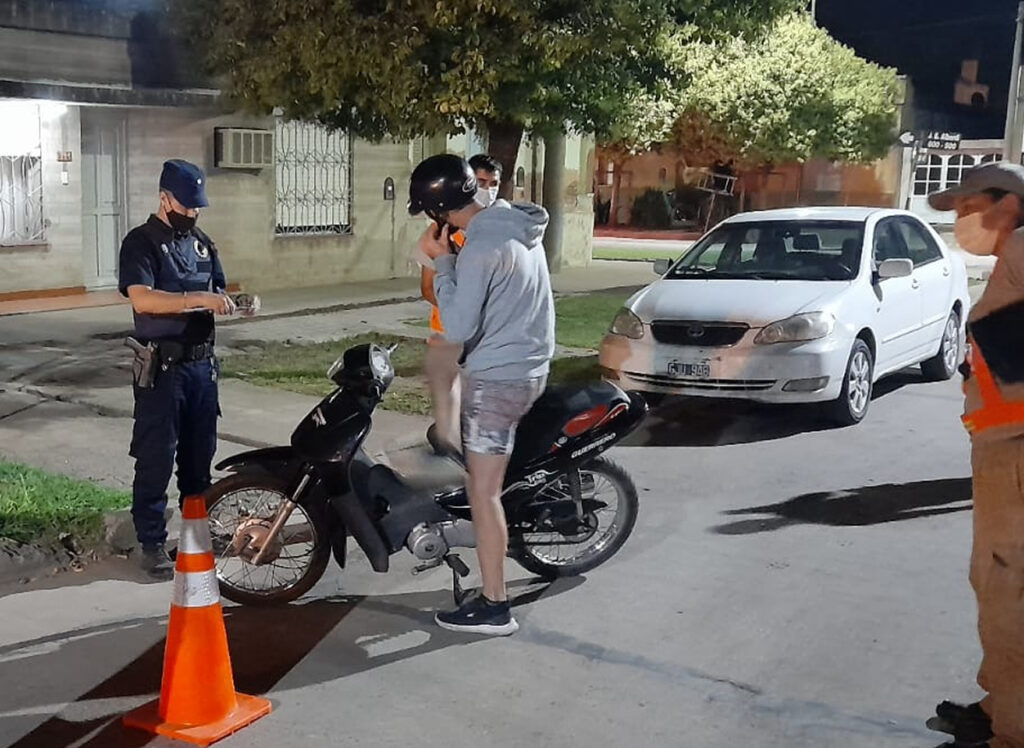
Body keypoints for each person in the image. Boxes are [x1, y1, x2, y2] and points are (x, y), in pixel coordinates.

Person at [408, 153, 554, 635]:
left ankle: (495, 605)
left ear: (438, 210)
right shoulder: (514, 224)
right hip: (529, 367)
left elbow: (457, 325)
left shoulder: (478, 248)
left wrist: (443, 261)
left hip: (497, 380)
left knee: (483, 493)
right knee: (488, 477)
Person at [927, 161, 1024, 748]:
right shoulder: (1012, 256)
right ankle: (998, 704)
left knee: (1009, 598)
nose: (960, 221)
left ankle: (1012, 733)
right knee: (992, 584)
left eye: (968, 208)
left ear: (1007, 205)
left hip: (1016, 458)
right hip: (1000, 453)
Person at [118, 159, 237, 580]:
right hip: (163, 369)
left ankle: (196, 533)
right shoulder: (141, 243)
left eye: (198, 205)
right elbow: (143, 299)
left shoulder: (202, 242)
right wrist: (197, 300)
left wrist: (232, 303)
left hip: (202, 367)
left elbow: (217, 289)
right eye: (186, 205)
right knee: (155, 457)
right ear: (164, 198)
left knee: (199, 459)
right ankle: (151, 542)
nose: (193, 212)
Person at [415, 154, 503, 456]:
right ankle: (449, 450)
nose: (487, 190)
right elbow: (428, 287)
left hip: (489, 340)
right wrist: (458, 312)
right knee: (448, 401)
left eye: (493, 184)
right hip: (448, 333)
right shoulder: (440, 233)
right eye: (481, 182)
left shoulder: (501, 232)